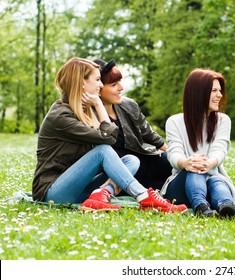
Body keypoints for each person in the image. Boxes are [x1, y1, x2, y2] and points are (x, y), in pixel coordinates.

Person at [32, 57, 187, 213]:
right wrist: (99, 104)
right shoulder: (61, 116)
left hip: (78, 188)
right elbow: (108, 138)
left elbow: (115, 136)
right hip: (52, 192)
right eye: (98, 80)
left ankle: (99, 197)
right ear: (82, 83)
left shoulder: (81, 109)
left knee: (131, 160)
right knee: (103, 151)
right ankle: (144, 197)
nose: (100, 84)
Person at [161, 69, 235, 218]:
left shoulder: (223, 121)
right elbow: (173, 153)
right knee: (194, 171)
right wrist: (186, 163)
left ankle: (226, 206)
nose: (219, 95)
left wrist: (209, 163)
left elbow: (220, 149)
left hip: (212, 179)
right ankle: (200, 206)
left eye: (220, 90)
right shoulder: (174, 122)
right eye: (214, 91)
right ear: (199, 93)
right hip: (181, 187)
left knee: (216, 180)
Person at [93, 58, 172, 191]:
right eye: (113, 84)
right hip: (125, 175)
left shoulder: (128, 105)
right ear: (98, 89)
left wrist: (173, 154)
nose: (121, 88)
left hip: (148, 160)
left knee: (179, 166)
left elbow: (149, 135)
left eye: (120, 82)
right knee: (170, 191)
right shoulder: (88, 117)